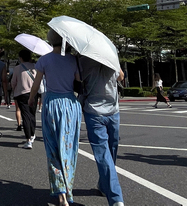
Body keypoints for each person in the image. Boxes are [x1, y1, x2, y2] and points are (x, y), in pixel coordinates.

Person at [29, 29, 82, 206]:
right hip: (70, 104)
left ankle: (61, 195)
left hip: (51, 104)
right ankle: (68, 188)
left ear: (50, 41)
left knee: (53, 149)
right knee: (69, 147)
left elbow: (36, 86)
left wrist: (31, 99)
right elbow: (79, 81)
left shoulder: (44, 60)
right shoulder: (73, 59)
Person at [79, 55, 126, 206]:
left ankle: (105, 185)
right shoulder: (110, 55)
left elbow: (77, 80)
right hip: (112, 110)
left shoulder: (82, 59)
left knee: (105, 153)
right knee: (110, 151)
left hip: (94, 110)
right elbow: (120, 76)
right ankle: (115, 196)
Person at [10, 49, 37, 149]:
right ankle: (33, 134)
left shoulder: (17, 68)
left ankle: (28, 139)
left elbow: (13, 82)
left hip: (22, 94)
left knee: (25, 116)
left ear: (21, 58)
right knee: (32, 114)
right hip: (34, 93)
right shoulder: (35, 67)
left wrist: (15, 89)